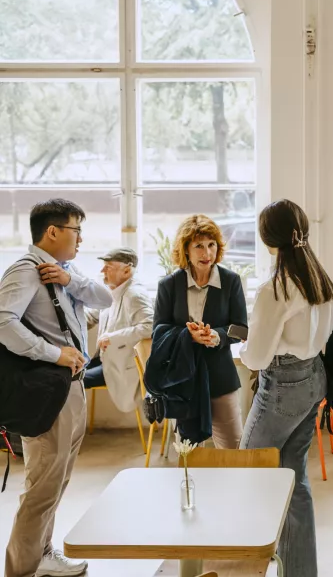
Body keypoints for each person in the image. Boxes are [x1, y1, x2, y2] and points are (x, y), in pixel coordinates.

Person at [1, 199, 112, 577]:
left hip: (71, 388)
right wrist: (52, 353)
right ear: (52, 232)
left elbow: (105, 297)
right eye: (76, 230)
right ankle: (21, 570)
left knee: (57, 480)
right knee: (42, 486)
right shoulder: (26, 271)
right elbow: (2, 323)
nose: (81, 239)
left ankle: (43, 554)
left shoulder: (63, 270)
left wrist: (70, 279)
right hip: (48, 391)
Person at [239, 200, 333, 577]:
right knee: (294, 477)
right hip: (313, 377)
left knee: (248, 470)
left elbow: (259, 357)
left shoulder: (273, 288)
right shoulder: (319, 278)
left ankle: (245, 566)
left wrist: (243, 350)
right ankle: (299, 571)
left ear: (268, 239)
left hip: (282, 386)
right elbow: (324, 334)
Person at [152, 215, 247, 449]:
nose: (207, 253)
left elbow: (241, 329)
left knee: (233, 448)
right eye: (199, 246)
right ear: (186, 250)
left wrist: (217, 336)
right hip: (184, 381)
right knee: (189, 452)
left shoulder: (231, 281)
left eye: (211, 244)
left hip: (220, 377)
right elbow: (158, 332)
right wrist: (188, 336)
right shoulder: (169, 285)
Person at [84, 247, 154, 412]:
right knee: (66, 370)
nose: (102, 271)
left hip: (120, 367)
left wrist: (112, 337)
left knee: (72, 380)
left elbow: (150, 326)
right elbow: (93, 315)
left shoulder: (134, 295)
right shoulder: (114, 291)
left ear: (127, 270)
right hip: (103, 359)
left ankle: (67, 431)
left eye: (108, 267)